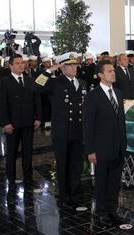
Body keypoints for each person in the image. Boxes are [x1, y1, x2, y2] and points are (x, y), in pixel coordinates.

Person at [34, 52, 87, 210]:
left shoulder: (82, 83)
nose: (73, 68)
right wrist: (49, 70)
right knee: (63, 165)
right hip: (62, 131)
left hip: (78, 131)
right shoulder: (55, 83)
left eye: (75, 65)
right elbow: (35, 86)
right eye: (69, 65)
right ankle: (65, 196)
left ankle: (75, 194)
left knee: (76, 165)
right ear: (62, 67)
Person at [83, 60, 126, 227]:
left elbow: (120, 121)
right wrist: (90, 150)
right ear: (100, 75)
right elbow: (88, 126)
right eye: (109, 71)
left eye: (113, 70)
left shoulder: (118, 93)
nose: (113, 73)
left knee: (115, 182)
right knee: (101, 182)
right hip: (101, 148)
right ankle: (101, 213)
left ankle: (112, 210)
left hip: (118, 147)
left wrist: (124, 144)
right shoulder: (93, 96)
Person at [0, 54, 42, 189]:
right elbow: (1, 105)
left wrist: (39, 118)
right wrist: (5, 123)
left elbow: (37, 100)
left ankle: (28, 179)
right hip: (12, 124)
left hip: (28, 123)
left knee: (28, 153)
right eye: (17, 63)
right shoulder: (4, 82)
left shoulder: (30, 81)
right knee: (12, 153)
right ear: (10, 65)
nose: (21, 65)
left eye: (22, 63)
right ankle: (11, 179)